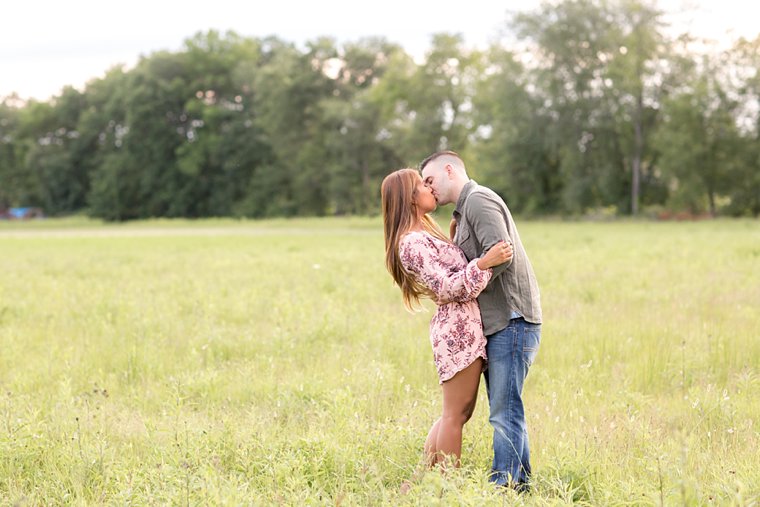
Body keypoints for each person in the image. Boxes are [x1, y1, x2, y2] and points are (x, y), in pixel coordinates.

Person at [420, 151, 542, 492]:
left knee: (504, 411)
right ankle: (519, 486)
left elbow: (500, 254)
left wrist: (466, 281)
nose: (429, 189)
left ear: (449, 170)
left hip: (511, 318)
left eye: (430, 180)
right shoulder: (463, 211)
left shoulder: (478, 199)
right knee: (506, 408)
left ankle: (504, 488)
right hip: (498, 323)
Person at [381, 168, 513, 469]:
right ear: (410, 197)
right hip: (457, 330)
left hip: (461, 326)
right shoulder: (412, 242)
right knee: (456, 414)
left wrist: (453, 239)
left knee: (456, 413)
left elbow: (445, 271)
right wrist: (485, 262)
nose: (431, 189)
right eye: (423, 185)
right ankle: (446, 487)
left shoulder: (421, 236)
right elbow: (446, 287)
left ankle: (425, 481)